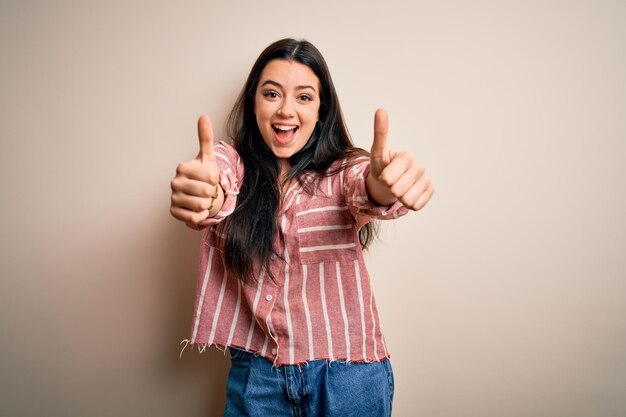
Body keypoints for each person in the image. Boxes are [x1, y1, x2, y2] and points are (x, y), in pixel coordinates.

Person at [170, 38, 434, 417]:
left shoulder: (343, 171)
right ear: (253, 103)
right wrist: (204, 195)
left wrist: (386, 184)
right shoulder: (231, 162)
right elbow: (218, 184)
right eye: (272, 93)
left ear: (321, 110)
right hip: (257, 378)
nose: (286, 110)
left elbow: (366, 188)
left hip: (348, 379)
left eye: (304, 97)